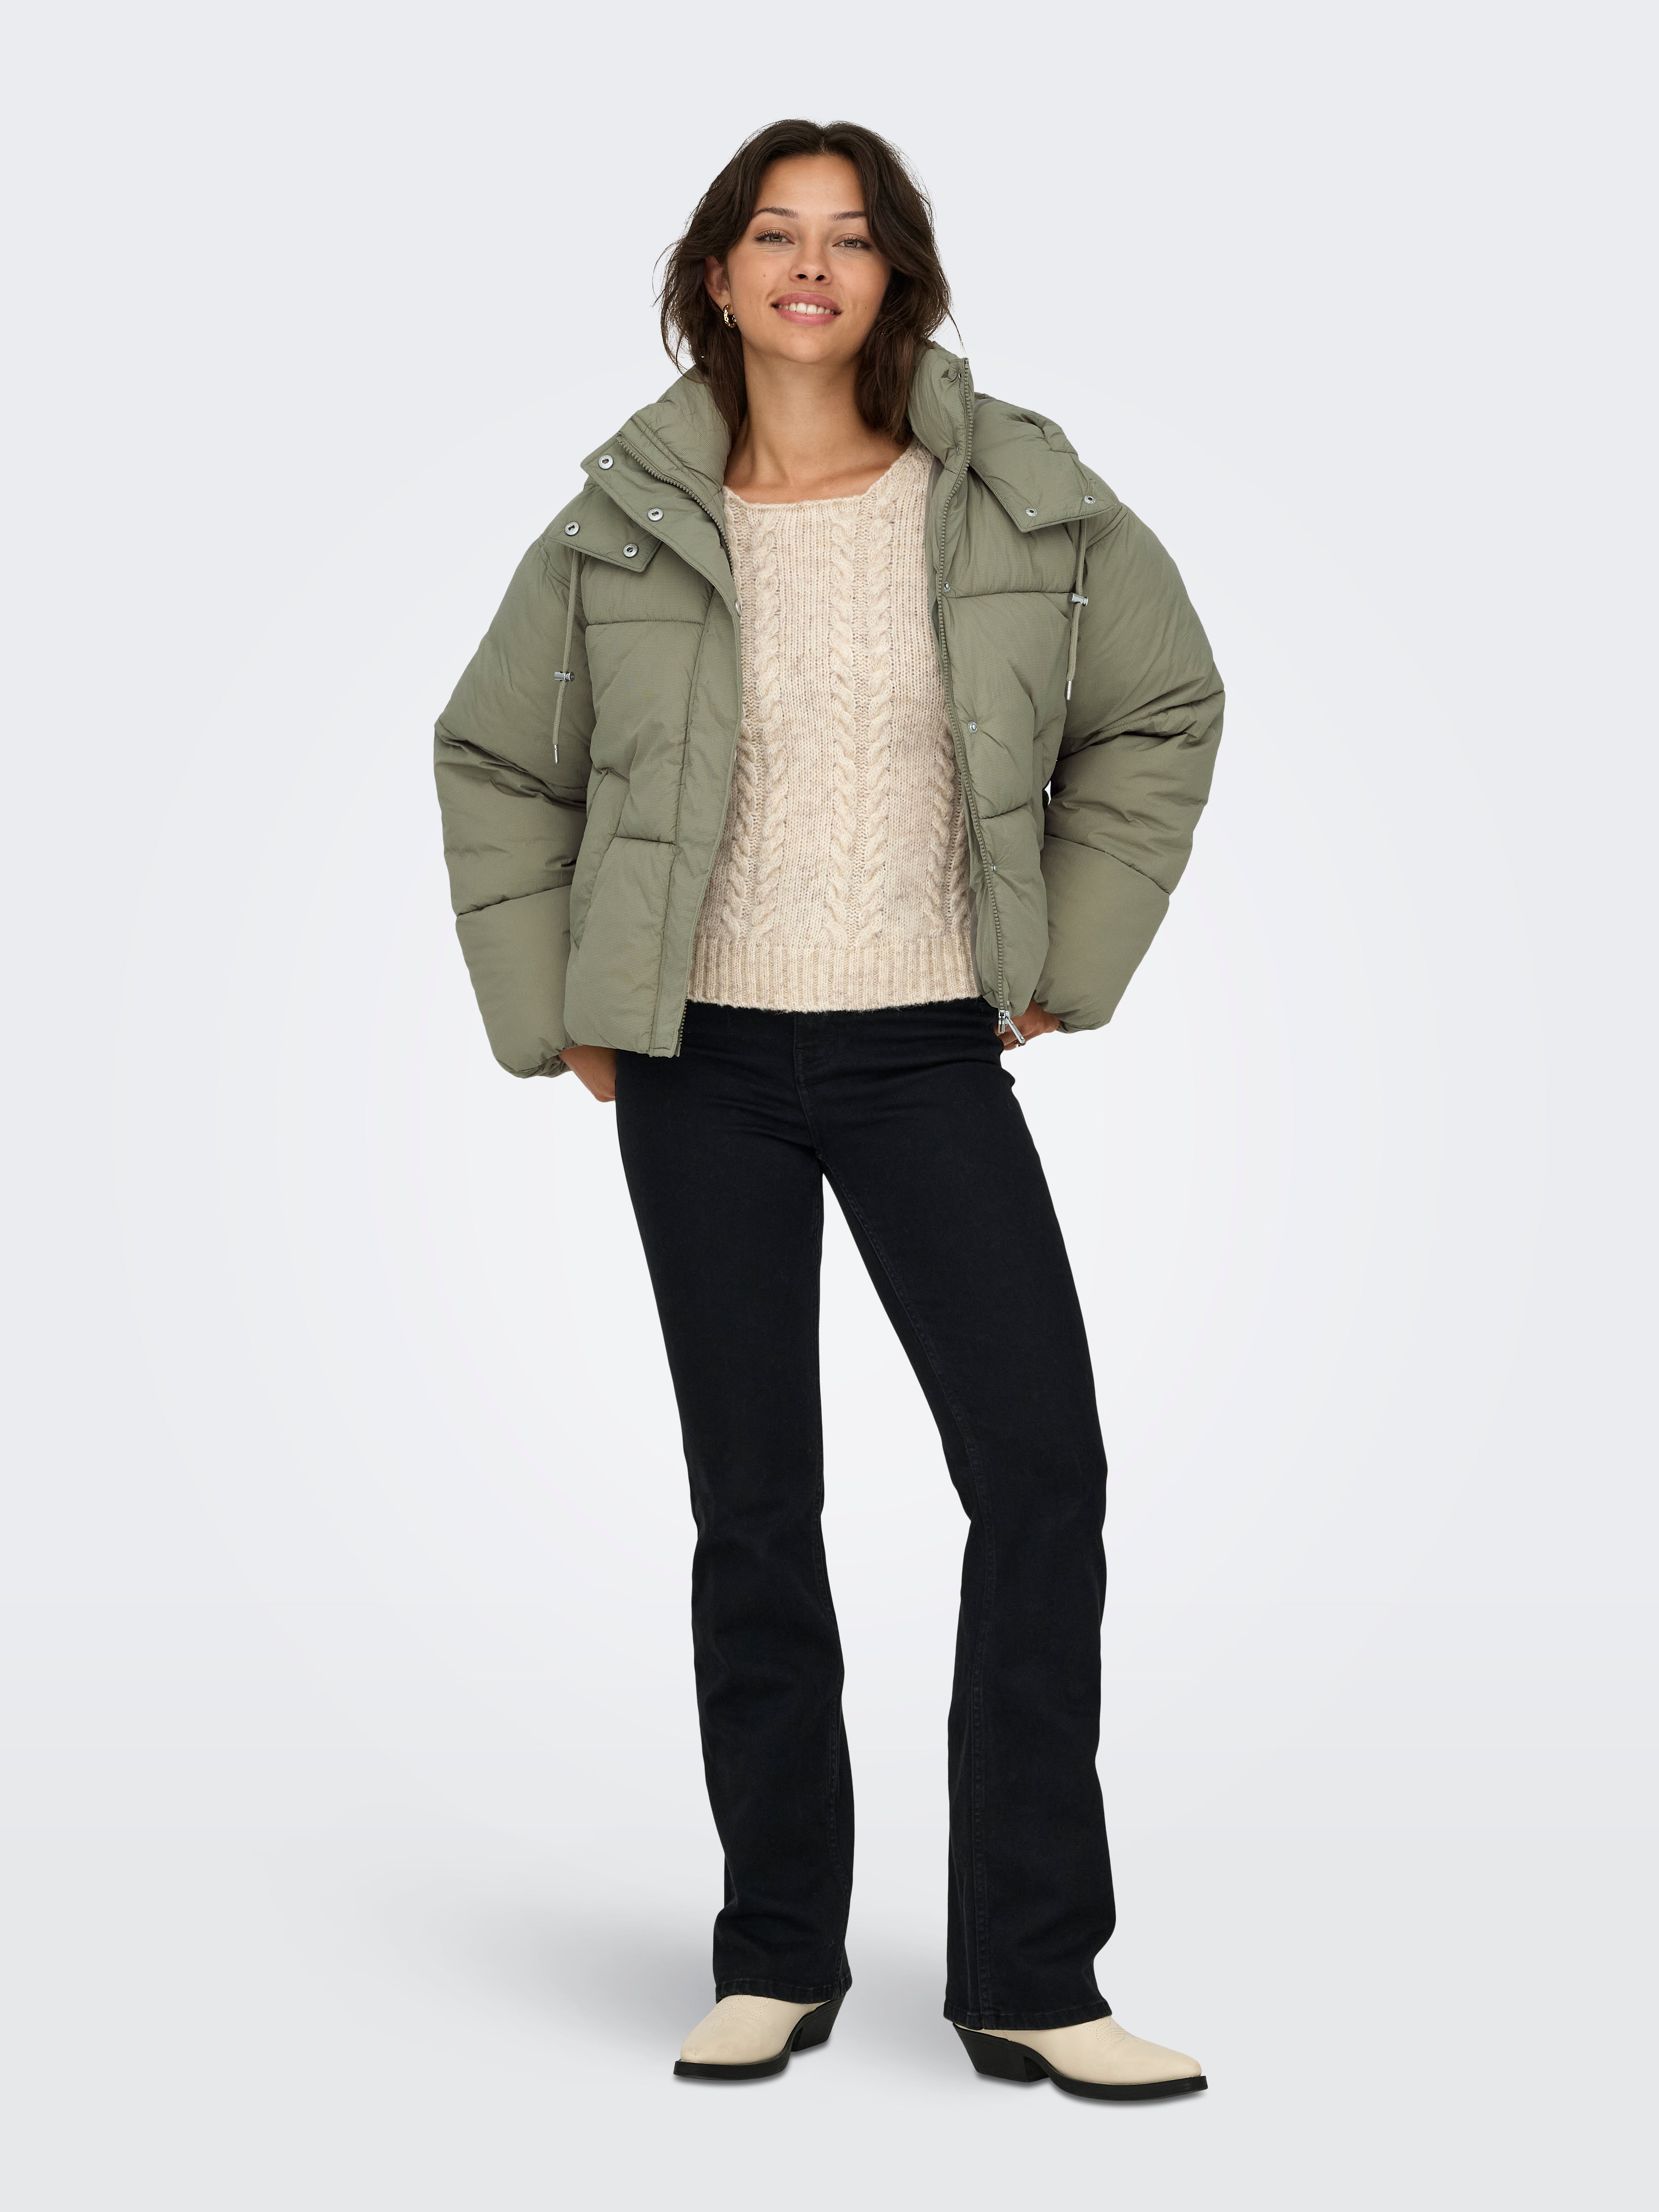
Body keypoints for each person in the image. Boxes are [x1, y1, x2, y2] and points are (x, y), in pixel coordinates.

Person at [434, 118, 1224, 2101]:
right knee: (756, 1507)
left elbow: (1161, 704)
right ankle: (777, 1952)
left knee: (1038, 1474)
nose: (810, 266)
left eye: (849, 238)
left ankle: (1032, 1974)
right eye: (773, 235)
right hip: (696, 1067)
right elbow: (495, 758)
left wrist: (1069, 953)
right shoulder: (621, 525)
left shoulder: (1015, 495)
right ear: (715, 275)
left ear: (896, 278)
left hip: (923, 1052)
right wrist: (562, 1013)